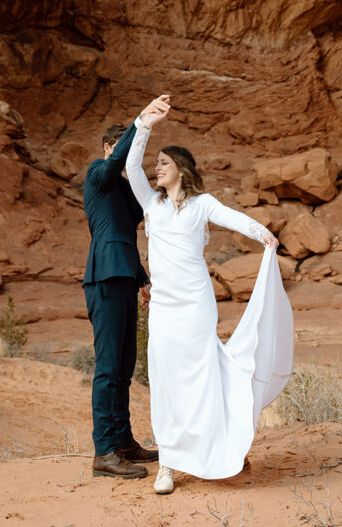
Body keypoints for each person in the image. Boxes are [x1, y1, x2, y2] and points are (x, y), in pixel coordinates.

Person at [125, 94, 294, 495]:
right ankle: (168, 462)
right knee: (166, 381)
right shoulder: (151, 204)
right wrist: (144, 123)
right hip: (164, 307)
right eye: (157, 163)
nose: (156, 168)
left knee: (201, 378)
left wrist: (263, 235)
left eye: (163, 163)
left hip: (197, 306)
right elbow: (131, 165)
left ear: (180, 169)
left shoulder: (202, 205)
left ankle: (216, 446)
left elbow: (234, 219)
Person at [82, 105, 163, 479]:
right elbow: (117, 161)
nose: (123, 155)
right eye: (117, 148)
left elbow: (128, 238)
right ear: (106, 147)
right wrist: (140, 124)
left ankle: (123, 441)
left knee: (125, 367)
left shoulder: (127, 192)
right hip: (104, 276)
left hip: (125, 277)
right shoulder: (97, 173)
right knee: (109, 367)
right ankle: (104, 452)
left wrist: (143, 280)